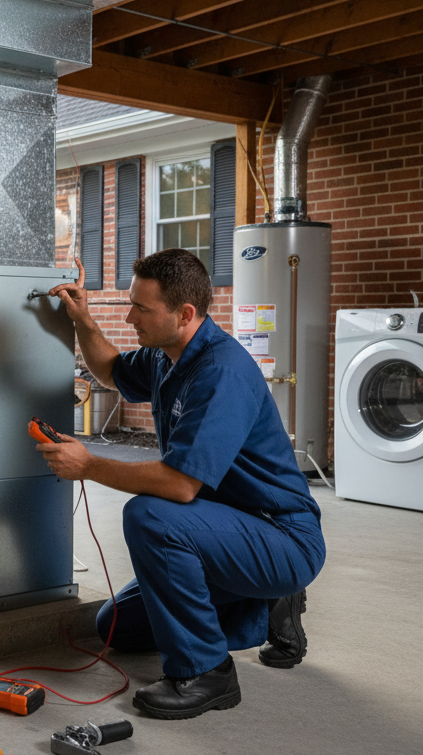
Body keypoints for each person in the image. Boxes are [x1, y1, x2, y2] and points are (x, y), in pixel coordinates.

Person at [41, 249, 325, 720]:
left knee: (151, 516)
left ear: (185, 314)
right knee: (116, 629)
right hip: (224, 527)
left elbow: (178, 486)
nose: (130, 316)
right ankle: (265, 600)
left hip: (280, 534)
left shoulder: (220, 372)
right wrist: (83, 320)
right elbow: (111, 369)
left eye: (141, 308)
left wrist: (88, 464)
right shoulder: (165, 355)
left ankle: (207, 671)